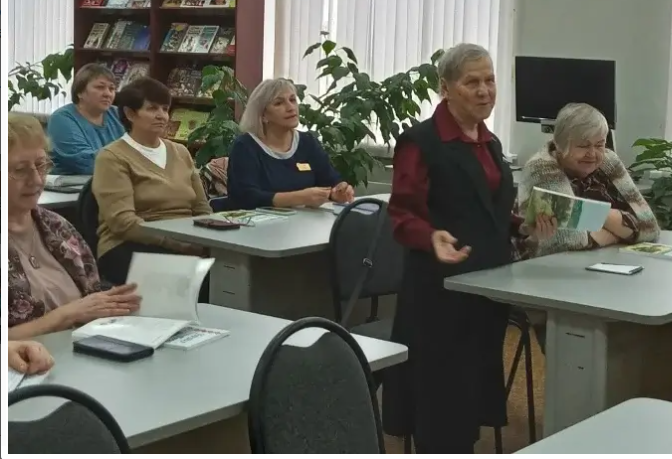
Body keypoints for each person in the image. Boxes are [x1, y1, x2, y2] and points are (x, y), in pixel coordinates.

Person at [382, 44, 515, 454]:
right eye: (472, 82)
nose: (484, 90)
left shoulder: (489, 142)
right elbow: (402, 213)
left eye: (489, 80)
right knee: (442, 403)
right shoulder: (421, 142)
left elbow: (487, 211)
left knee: (470, 395)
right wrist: (431, 237)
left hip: (485, 286)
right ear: (445, 88)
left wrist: (524, 225)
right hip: (439, 291)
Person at [8, 113, 140, 340]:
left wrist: (115, 302)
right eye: (20, 170)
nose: (37, 180)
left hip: (84, 349)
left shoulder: (57, 226)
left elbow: (92, 294)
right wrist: (68, 314)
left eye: (41, 165)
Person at [92, 78, 212, 286]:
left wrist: (211, 238)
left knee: (232, 270)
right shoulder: (112, 156)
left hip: (185, 239)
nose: (162, 115)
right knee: (198, 278)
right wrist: (177, 243)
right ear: (130, 114)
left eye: (165, 109)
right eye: (152, 108)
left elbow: (202, 208)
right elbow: (123, 223)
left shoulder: (180, 152)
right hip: (129, 244)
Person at [516, 102, 660, 258]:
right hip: (542, 265)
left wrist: (600, 215)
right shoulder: (542, 168)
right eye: (583, 146)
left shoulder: (609, 161)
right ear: (559, 145)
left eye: (599, 145)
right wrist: (620, 233)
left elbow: (650, 227)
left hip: (603, 260)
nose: (592, 154)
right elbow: (569, 240)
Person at [227, 78, 354, 210]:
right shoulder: (246, 146)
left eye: (292, 100)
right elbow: (245, 197)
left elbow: (331, 181)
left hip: (305, 220)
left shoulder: (307, 142)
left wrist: (338, 191)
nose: (290, 107)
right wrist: (299, 198)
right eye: (278, 103)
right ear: (263, 115)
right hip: (256, 221)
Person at [47, 63, 125, 175]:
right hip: (74, 184)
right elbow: (86, 163)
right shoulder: (62, 119)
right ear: (80, 92)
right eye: (100, 87)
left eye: (112, 88)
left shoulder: (117, 113)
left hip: (116, 178)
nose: (108, 94)